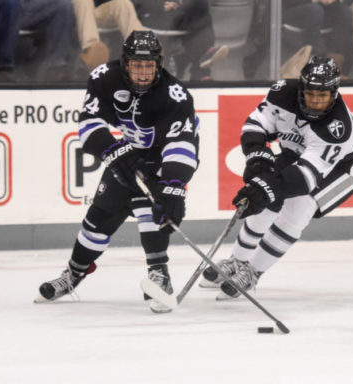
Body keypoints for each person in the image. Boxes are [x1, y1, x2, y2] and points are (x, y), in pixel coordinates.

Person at [36, 30, 199, 313]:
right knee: (98, 219)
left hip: (162, 159)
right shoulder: (104, 78)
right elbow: (89, 125)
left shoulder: (175, 96)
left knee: (154, 212)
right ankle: (74, 273)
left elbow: (182, 144)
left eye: (149, 66)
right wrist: (115, 152)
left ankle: (160, 275)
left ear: (159, 64)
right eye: (137, 65)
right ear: (125, 63)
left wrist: (173, 186)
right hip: (127, 151)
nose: (144, 73)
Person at [200, 56, 353, 299]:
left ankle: (253, 272)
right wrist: (259, 160)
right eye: (310, 93)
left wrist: (265, 187)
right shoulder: (282, 93)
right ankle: (237, 261)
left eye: (322, 96)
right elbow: (256, 125)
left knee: (299, 206)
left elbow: (305, 177)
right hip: (300, 152)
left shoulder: (337, 128)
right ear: (301, 88)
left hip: (343, 166)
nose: (315, 102)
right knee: (265, 200)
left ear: (334, 94)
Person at [243, 0, 353, 80]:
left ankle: (336, 68)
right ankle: (314, 59)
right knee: (315, 10)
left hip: (323, 11)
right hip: (292, 9)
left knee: (345, 13)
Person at [133, 0, 228, 81]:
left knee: (201, 9)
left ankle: (201, 59)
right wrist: (160, 5)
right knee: (201, 20)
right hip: (154, 16)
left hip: (176, 15)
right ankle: (202, 68)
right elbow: (131, 4)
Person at [0, 0, 75, 82]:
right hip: (0, 6)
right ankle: (4, 69)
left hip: (28, 6)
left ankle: (56, 67)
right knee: (11, 3)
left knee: (64, 5)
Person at [73, 0, 144, 71]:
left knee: (124, 3)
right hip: (79, 11)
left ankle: (140, 48)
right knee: (83, 1)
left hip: (100, 10)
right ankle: (92, 50)